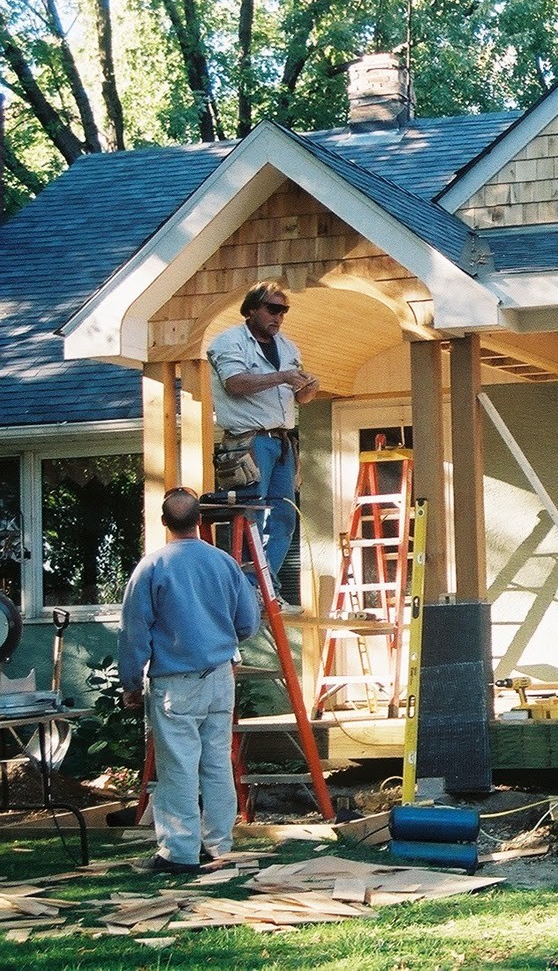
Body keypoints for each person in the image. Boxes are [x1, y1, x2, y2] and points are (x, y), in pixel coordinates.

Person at [119, 487, 260, 873]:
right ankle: (218, 846)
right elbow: (248, 623)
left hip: (176, 683)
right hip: (219, 676)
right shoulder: (225, 564)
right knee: (216, 763)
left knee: (179, 767)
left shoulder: (152, 567)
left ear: (165, 522)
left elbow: (134, 633)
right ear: (200, 520)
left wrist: (131, 682)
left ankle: (179, 852)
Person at [206, 281, 318, 587]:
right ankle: (241, 586)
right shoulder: (228, 342)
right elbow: (235, 384)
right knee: (248, 518)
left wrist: (309, 388)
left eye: (283, 311)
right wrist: (282, 376)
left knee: (284, 518)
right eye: (272, 309)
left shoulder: (288, 347)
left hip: (282, 441)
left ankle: (260, 584)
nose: (278, 317)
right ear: (251, 309)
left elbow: (299, 397)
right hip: (248, 442)